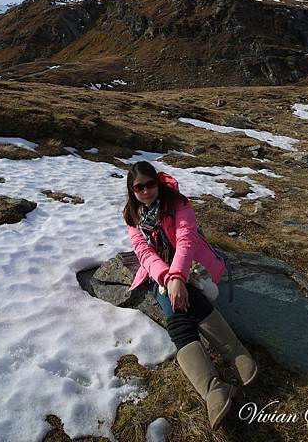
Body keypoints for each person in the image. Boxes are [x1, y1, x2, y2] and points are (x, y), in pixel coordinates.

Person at [123, 160, 258, 429]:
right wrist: (168, 278)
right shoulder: (133, 216)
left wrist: (177, 278)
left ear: (158, 183)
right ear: (132, 191)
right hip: (158, 272)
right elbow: (144, 254)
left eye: (150, 184)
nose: (147, 191)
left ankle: (234, 357)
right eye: (139, 187)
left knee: (184, 297)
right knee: (177, 308)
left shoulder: (178, 203)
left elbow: (187, 240)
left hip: (191, 264)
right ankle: (214, 389)